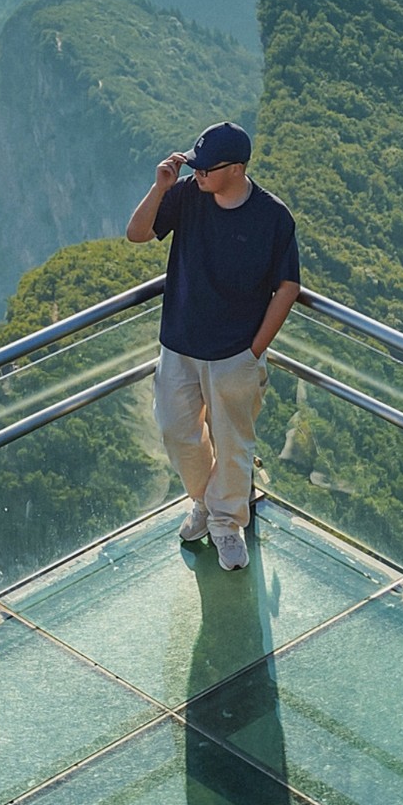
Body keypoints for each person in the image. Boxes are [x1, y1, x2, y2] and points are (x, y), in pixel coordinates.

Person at [127, 121, 300, 570]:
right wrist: (160, 186)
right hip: (179, 346)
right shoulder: (186, 196)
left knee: (233, 440)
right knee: (175, 429)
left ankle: (226, 525)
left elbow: (287, 286)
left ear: (237, 169)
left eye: (206, 168)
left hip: (234, 354)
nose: (197, 173)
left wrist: (255, 349)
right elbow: (137, 233)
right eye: (195, 165)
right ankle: (205, 501)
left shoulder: (272, 217)